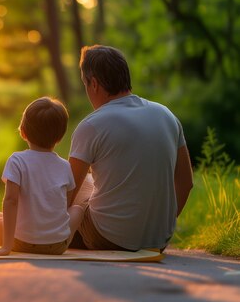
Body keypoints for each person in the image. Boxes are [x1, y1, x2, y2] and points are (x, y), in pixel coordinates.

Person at [68, 45, 194, 252]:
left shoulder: (91, 125)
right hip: (158, 240)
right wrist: (161, 225)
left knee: (80, 184)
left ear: (94, 83)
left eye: (85, 84)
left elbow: (67, 194)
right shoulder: (167, 116)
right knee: (90, 181)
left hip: (106, 236)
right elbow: (186, 182)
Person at [0, 97, 83, 256]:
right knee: (77, 209)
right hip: (58, 246)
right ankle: (53, 237)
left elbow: (11, 201)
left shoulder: (17, 161)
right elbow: (65, 206)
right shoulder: (65, 166)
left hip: (21, 242)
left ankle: (12, 241)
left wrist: (6, 247)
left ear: (23, 131)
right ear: (60, 137)